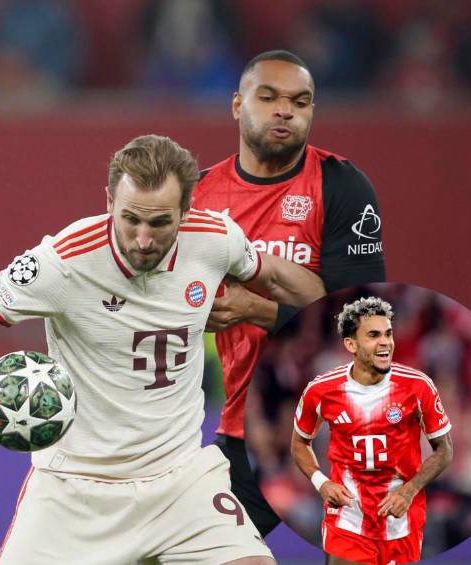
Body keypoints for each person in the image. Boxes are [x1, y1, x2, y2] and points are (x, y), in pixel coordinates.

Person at [0, 135, 326, 565]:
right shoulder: (61, 262)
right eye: (130, 219)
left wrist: (349, 313)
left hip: (181, 482)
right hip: (74, 493)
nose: (143, 239)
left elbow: (282, 278)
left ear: (187, 211)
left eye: (161, 223)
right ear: (108, 202)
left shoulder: (214, 239)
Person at [193, 49, 386, 536]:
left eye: (300, 102)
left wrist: (255, 309)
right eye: (270, 97)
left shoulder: (341, 186)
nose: (286, 110)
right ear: (238, 105)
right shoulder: (199, 196)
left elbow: (362, 321)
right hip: (250, 428)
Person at [291, 297, 453, 565]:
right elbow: (299, 443)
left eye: (388, 334)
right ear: (351, 344)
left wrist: (409, 490)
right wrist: (322, 483)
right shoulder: (321, 390)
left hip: (401, 518)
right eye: (374, 335)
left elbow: (445, 450)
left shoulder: (418, 386)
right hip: (347, 516)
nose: (385, 343)